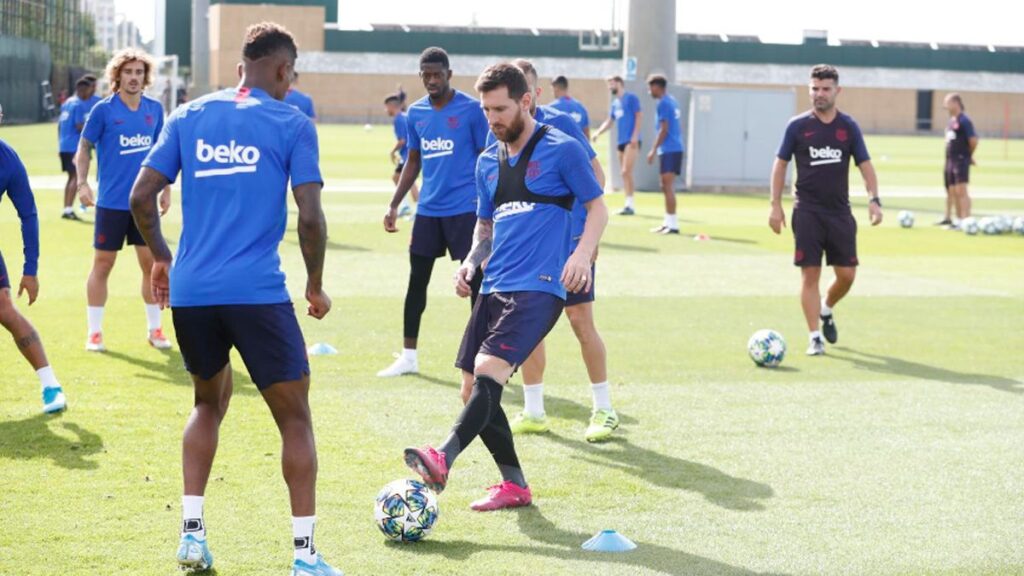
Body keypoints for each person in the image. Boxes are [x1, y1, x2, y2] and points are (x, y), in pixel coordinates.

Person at [129, 21, 342, 576]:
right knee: (295, 418)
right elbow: (311, 216)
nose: (291, 82)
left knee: (206, 404)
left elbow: (141, 196)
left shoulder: (189, 115)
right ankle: (304, 557)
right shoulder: (292, 121)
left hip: (194, 292)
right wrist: (314, 283)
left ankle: (192, 537)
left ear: (237, 69)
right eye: (290, 73)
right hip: (257, 293)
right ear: (278, 69)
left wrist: (162, 258)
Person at [403, 62, 607, 511]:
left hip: (540, 286)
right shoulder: (485, 163)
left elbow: (597, 207)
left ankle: (443, 456)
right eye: (485, 110)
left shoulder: (561, 148)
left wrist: (581, 254)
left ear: (527, 101)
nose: (492, 119)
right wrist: (471, 264)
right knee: (470, 385)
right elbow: (485, 228)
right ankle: (514, 484)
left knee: (491, 371)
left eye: (500, 108)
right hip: (494, 285)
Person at [492, 59, 616, 443]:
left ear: (534, 93)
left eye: (525, 93)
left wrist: (584, 242)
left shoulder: (560, 127)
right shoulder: (499, 132)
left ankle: (604, 408)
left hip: (570, 246)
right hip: (528, 253)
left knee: (580, 321)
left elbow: (597, 180)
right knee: (529, 327)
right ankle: (534, 410)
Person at [378, 46, 489, 378]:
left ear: (449, 75)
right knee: (416, 282)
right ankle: (409, 356)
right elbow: (413, 161)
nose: (431, 80)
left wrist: (490, 206)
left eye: (437, 74)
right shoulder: (415, 114)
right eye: (425, 75)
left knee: (476, 281)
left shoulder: (471, 111)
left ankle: (479, 358)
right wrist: (395, 204)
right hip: (428, 210)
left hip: (465, 210)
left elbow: (486, 159)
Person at [769, 64, 882, 356]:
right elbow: (780, 164)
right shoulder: (797, 126)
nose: (819, 94)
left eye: (825, 89)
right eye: (814, 89)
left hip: (840, 213)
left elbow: (865, 165)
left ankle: (826, 308)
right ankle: (814, 336)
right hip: (806, 211)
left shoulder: (848, 127)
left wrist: (874, 199)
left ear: (837, 91)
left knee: (847, 275)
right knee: (810, 275)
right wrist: (775, 207)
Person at [75, 48, 172, 352]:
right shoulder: (103, 110)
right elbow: (83, 148)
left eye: (139, 72)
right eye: (128, 72)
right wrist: (82, 183)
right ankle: (94, 332)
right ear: (117, 76)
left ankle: (155, 330)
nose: (134, 78)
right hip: (111, 204)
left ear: (146, 77)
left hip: (143, 205)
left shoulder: (155, 110)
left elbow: (163, 153)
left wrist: (166, 187)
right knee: (103, 265)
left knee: (152, 265)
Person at [1, 117, 67, 414]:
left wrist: (30, 269)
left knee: (5, 309)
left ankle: (50, 385)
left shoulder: (8, 159)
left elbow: (28, 213)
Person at [591, 75, 641, 215]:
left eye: (611, 84)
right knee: (623, 173)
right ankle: (628, 203)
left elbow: (639, 115)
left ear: (619, 83)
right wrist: (598, 133)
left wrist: (635, 136)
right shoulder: (615, 103)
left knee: (626, 171)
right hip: (621, 141)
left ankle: (630, 204)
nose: (609, 87)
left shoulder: (631, 98)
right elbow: (610, 121)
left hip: (631, 140)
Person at [645, 74, 684, 235]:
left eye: (651, 87)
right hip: (673, 148)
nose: (649, 91)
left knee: (667, 186)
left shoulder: (664, 103)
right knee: (665, 186)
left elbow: (664, 129)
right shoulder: (672, 100)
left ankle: (673, 225)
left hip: (670, 149)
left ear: (658, 87)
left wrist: (653, 149)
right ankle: (668, 222)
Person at [937, 93, 978, 227]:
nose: (945, 107)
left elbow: (973, 140)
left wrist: (968, 155)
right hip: (950, 160)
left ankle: (966, 220)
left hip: (960, 159)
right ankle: (956, 219)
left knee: (962, 191)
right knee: (952, 191)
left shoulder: (964, 120)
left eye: (947, 103)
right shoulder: (952, 121)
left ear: (956, 103)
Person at [57, 78, 91, 220]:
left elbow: (59, 126)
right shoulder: (78, 105)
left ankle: (67, 207)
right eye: (88, 91)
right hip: (73, 146)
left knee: (71, 176)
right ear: (82, 90)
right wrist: (94, 129)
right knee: (76, 176)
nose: (88, 94)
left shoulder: (67, 104)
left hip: (64, 145)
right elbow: (79, 126)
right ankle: (68, 210)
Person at [384, 93, 419, 216]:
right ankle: (405, 206)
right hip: (410, 154)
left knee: (409, 181)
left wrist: (392, 151)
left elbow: (402, 140)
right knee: (397, 177)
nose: (386, 110)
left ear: (391, 106)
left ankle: (418, 210)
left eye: (386, 107)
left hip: (408, 155)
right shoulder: (405, 116)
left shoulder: (398, 119)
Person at [548, 75, 591, 139]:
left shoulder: (550, 109)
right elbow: (586, 134)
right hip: (578, 148)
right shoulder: (581, 107)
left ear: (555, 88)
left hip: (560, 148)